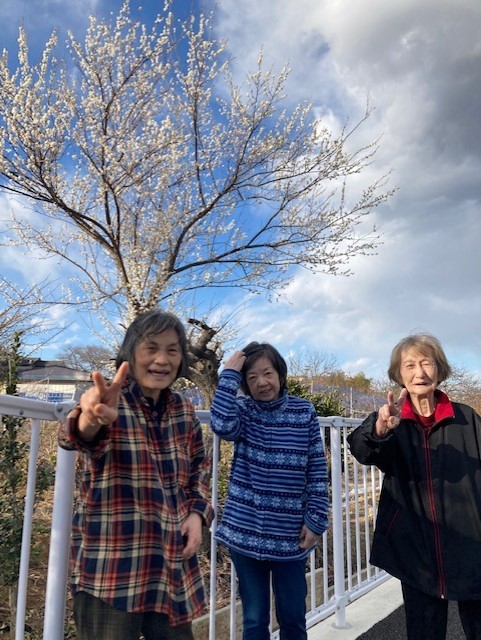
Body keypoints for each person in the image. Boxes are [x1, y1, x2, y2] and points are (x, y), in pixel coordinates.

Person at [58, 309, 214, 640]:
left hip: (170, 564)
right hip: (112, 566)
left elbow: (199, 469)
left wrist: (197, 514)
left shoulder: (183, 410)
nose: (162, 360)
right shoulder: (110, 400)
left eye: (172, 350)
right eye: (151, 348)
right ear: (130, 352)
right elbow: (74, 435)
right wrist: (91, 419)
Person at [347, 333, 481, 640]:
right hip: (415, 547)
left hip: (471, 544)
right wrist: (380, 428)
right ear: (399, 375)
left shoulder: (466, 418)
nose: (419, 372)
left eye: (426, 363)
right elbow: (362, 450)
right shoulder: (391, 419)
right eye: (410, 365)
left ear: (439, 369)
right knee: (424, 631)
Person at [210, 341, 329, 640]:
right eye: (252, 377)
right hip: (245, 532)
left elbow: (317, 469)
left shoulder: (303, 411)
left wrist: (316, 520)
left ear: (280, 375)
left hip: (290, 535)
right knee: (254, 620)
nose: (262, 382)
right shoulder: (243, 410)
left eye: (267, 373)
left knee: (293, 617)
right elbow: (221, 425)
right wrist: (229, 375)